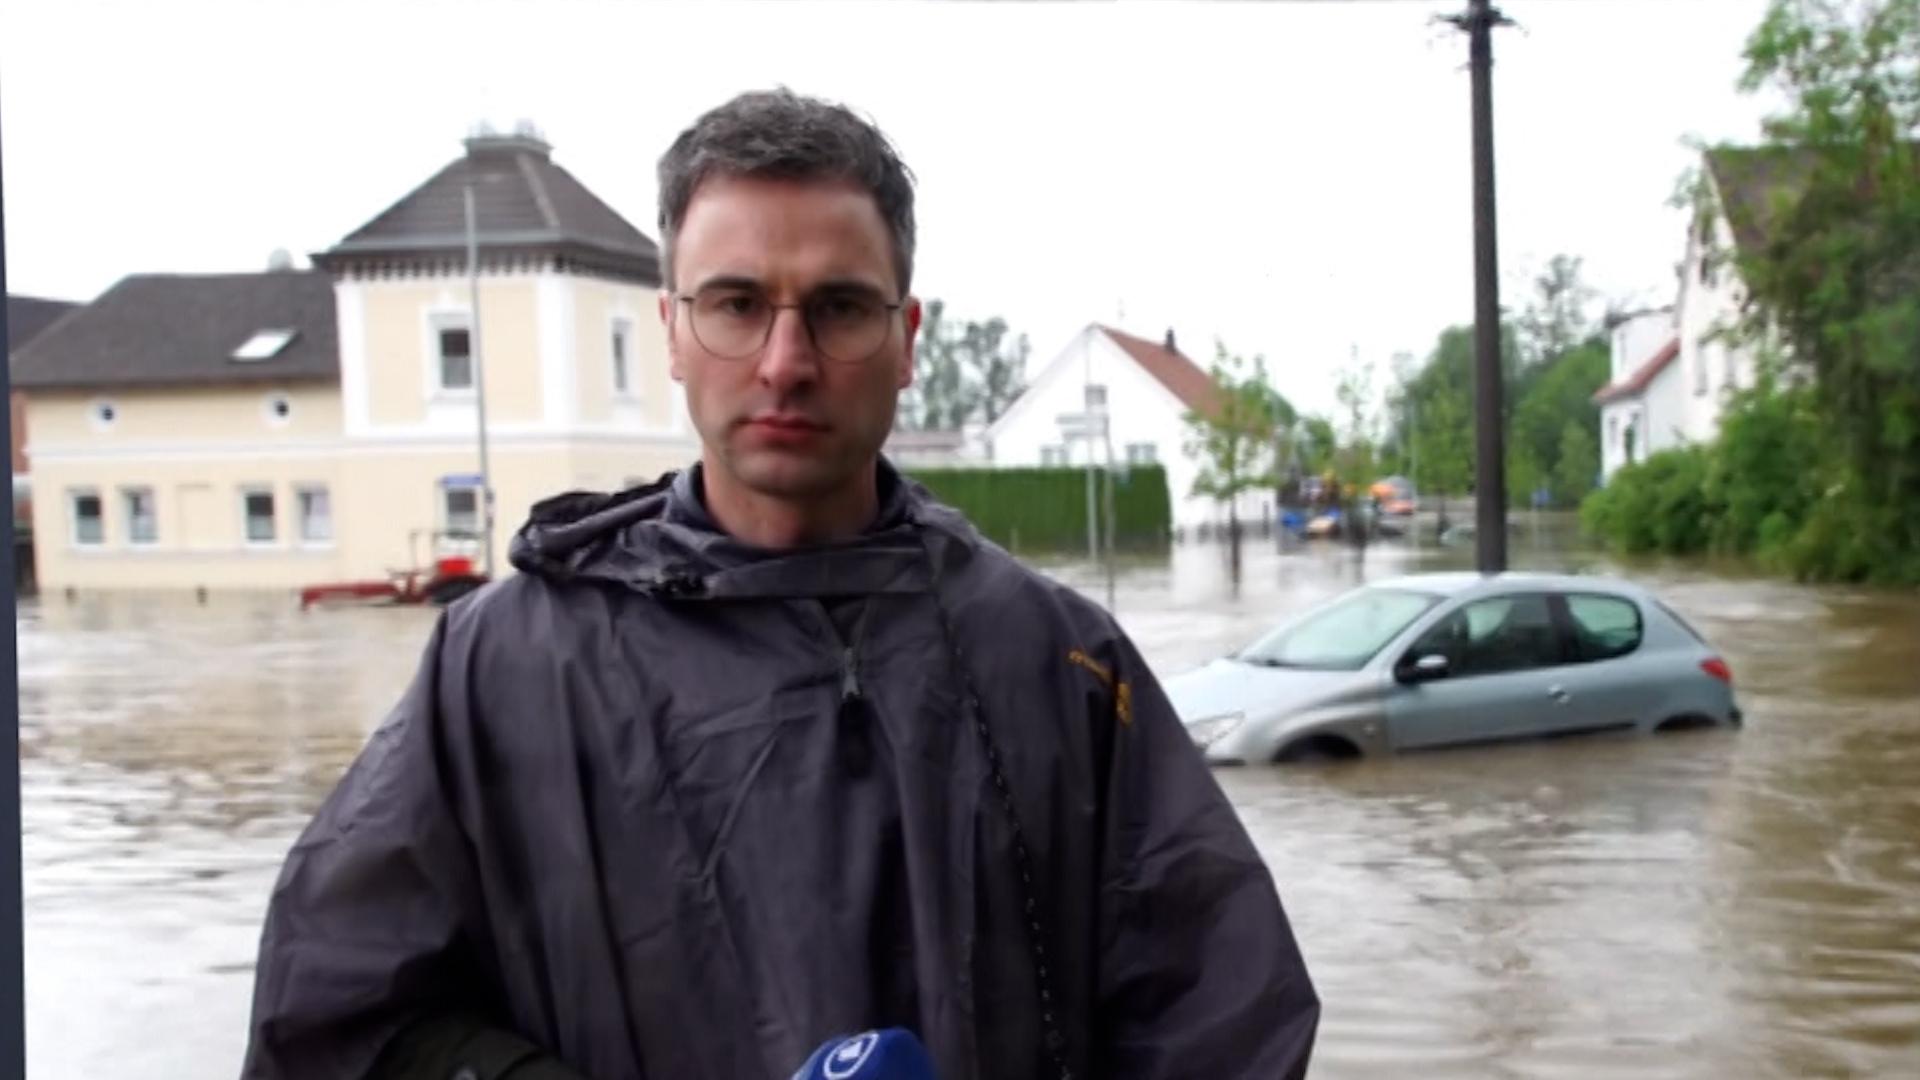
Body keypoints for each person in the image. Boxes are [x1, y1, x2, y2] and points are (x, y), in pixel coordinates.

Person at [241, 88, 1319, 1080]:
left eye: (840, 309)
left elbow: (1221, 1023)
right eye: (737, 304)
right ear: (670, 330)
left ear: (906, 340)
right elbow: (340, 1018)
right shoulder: (503, 668)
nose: (785, 360)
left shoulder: (1061, 665)